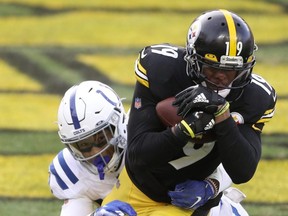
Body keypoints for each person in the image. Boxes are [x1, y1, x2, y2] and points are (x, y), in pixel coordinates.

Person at [101, 9, 277, 216]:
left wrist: (222, 114)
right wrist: (186, 129)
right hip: (137, 188)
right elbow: (139, 154)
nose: (221, 77)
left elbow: (243, 171)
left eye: (230, 71)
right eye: (212, 68)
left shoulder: (254, 97)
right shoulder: (162, 70)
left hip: (189, 205)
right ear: (193, 58)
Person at [48, 80, 136, 216]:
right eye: (84, 144)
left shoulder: (144, 138)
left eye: (101, 139)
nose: (95, 152)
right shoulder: (72, 170)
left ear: (117, 125)